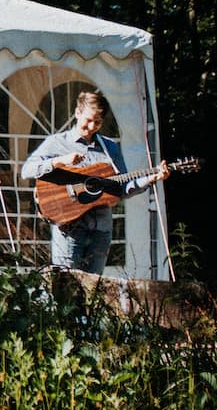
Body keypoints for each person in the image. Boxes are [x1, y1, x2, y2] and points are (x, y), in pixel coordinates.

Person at [20, 90, 169, 274]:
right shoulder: (57, 143)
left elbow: (121, 188)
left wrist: (151, 179)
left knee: (94, 291)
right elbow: (27, 170)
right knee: (66, 288)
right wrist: (60, 161)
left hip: (100, 231)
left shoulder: (109, 148)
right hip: (69, 230)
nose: (91, 126)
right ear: (77, 113)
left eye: (97, 122)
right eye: (88, 120)